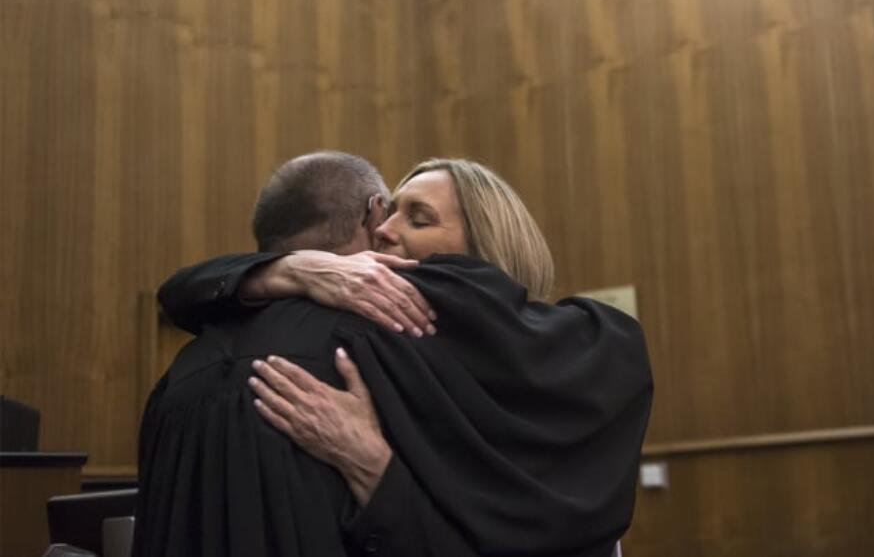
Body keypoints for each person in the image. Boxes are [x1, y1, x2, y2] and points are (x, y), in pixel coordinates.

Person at [140, 153, 653, 556]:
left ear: (485, 247)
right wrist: (292, 268)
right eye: (387, 212)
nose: (383, 231)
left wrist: (374, 468)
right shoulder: (378, 341)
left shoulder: (582, 350)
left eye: (419, 218)